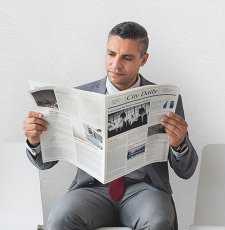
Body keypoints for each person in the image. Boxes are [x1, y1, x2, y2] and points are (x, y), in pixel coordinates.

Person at [23, 21, 198, 230]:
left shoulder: (167, 98)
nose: (115, 65)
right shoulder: (77, 96)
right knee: (60, 218)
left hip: (144, 190)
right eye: (111, 54)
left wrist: (179, 143)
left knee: (158, 220)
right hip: (91, 190)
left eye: (127, 57)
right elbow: (44, 164)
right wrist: (34, 141)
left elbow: (186, 171)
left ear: (143, 59)